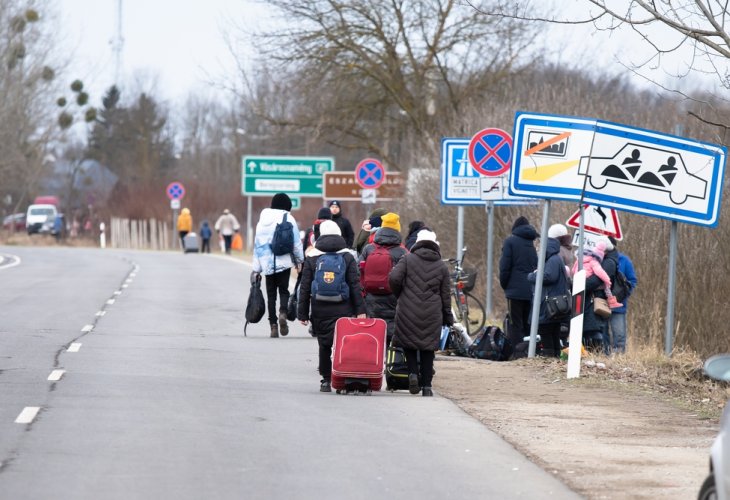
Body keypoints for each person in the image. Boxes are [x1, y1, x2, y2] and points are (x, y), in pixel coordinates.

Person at [297, 220, 366, 392]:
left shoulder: (312, 256)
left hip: (319, 308)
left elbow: (304, 288)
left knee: (324, 344)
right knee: (344, 343)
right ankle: (342, 377)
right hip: (344, 308)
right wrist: (361, 310)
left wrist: (303, 313)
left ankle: (326, 380)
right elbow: (355, 285)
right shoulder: (348, 256)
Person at [389, 229, 453, 397]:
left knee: (409, 344)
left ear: (418, 243)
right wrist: (448, 317)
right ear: (435, 245)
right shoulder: (441, 266)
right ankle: (427, 387)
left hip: (408, 309)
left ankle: (412, 374)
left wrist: (400, 294)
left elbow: (394, 278)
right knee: (427, 349)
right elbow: (446, 295)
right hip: (432, 312)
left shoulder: (407, 259)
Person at [252, 193, 304, 338]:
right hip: (284, 261)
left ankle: (273, 325)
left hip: (267, 264)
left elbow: (257, 245)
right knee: (284, 291)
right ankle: (283, 312)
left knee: (271, 295)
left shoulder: (261, 222)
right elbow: (296, 243)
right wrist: (300, 260)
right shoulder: (289, 218)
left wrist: (256, 268)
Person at [359, 212, 407, 344]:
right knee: (392, 330)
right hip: (393, 298)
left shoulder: (369, 249)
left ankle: (376, 360)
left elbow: (358, 272)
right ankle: (391, 361)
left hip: (371, 298)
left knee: (374, 331)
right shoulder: (402, 252)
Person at [527, 236, 571, 357]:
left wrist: (531, 276)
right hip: (554, 303)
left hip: (549, 304)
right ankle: (555, 356)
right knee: (554, 331)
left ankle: (549, 357)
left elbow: (548, 277)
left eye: (539, 248)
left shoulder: (552, 260)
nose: (538, 251)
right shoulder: (556, 259)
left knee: (546, 330)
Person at [499, 216, 538, 349]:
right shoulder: (532, 245)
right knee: (528, 322)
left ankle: (516, 351)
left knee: (515, 323)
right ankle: (527, 350)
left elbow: (505, 266)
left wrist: (505, 285)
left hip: (514, 291)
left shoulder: (510, 242)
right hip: (531, 290)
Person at [581, 236, 619, 353]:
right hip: (594, 298)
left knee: (595, 330)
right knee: (593, 329)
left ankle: (599, 355)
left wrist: (579, 285)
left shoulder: (609, 262)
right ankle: (596, 354)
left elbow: (597, 279)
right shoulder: (606, 260)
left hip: (597, 299)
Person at [571, 241, 622, 309]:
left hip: (579, 278)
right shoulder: (594, 262)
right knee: (606, 285)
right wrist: (607, 280)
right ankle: (611, 301)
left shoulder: (580, 260)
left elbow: (573, 269)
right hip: (587, 279)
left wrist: (575, 277)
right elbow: (600, 272)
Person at [607, 237, 637, 354]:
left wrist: (622, 294)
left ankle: (619, 359)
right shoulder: (599, 258)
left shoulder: (624, 260)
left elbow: (632, 281)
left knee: (619, 336)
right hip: (601, 304)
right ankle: (604, 357)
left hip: (619, 306)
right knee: (603, 335)